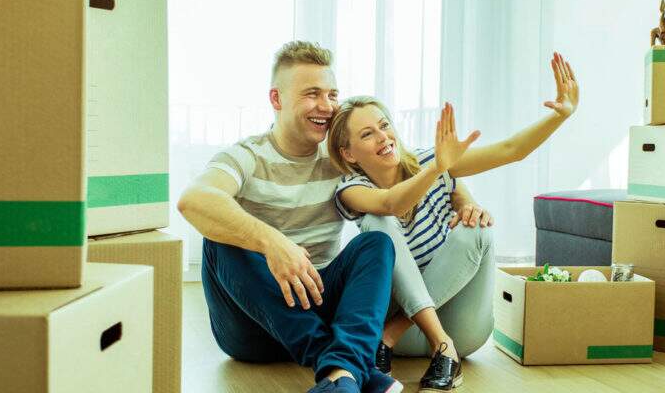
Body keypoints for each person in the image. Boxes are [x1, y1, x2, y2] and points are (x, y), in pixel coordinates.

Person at [326, 53, 579, 392]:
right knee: (379, 224)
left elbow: (510, 149)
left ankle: (423, 338)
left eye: (384, 125)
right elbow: (390, 203)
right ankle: (441, 348)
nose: (384, 138)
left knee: (476, 227)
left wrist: (559, 116)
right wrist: (436, 169)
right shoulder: (351, 190)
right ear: (349, 153)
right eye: (368, 134)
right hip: (398, 342)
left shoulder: (433, 161)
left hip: (448, 331)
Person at [178, 41, 402, 393]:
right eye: (312, 94)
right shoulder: (247, 155)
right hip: (252, 327)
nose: (326, 106)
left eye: (332, 94)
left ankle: (340, 373)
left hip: (316, 301)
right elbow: (193, 200)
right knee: (218, 240)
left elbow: (413, 164)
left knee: (376, 244)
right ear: (276, 99)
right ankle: (345, 365)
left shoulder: (341, 159)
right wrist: (272, 243)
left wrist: (460, 194)